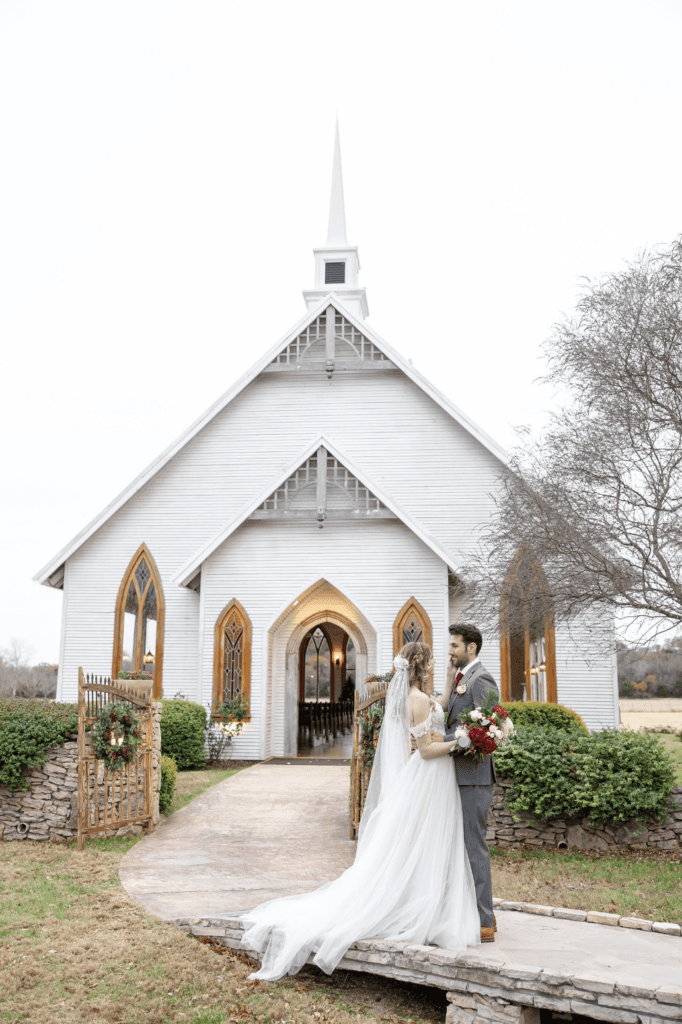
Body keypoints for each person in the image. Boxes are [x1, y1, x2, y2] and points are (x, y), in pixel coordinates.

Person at [241, 642, 480, 980]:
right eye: (431, 661)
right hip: (431, 776)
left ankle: (431, 902)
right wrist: (460, 743)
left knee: (425, 843)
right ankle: (422, 907)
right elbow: (426, 750)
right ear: (419, 665)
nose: (435, 664)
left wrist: (450, 679)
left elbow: (439, 706)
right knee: (424, 841)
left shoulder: (420, 697)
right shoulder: (417, 700)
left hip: (433, 779)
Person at [440, 623, 499, 943]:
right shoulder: (462, 678)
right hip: (457, 774)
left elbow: (488, 730)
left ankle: (484, 920)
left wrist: (445, 741)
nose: (450, 651)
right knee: (460, 846)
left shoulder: (482, 679)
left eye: (454, 646)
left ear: (471, 648)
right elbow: (454, 715)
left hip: (474, 776)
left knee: (474, 846)